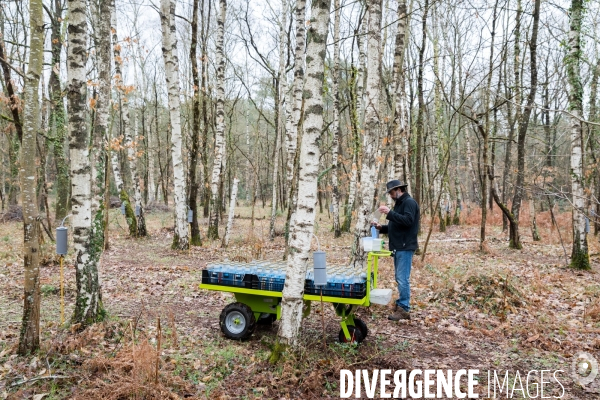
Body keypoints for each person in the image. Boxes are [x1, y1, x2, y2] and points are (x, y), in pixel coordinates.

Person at [372, 179, 420, 321]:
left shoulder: (409, 203)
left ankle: (404, 308)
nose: (391, 196)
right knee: (399, 278)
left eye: (392, 192)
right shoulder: (399, 204)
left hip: (405, 246)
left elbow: (408, 221)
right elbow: (396, 225)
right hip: (399, 246)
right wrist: (382, 228)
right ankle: (401, 304)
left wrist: (389, 212)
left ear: (399, 190)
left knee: (402, 279)